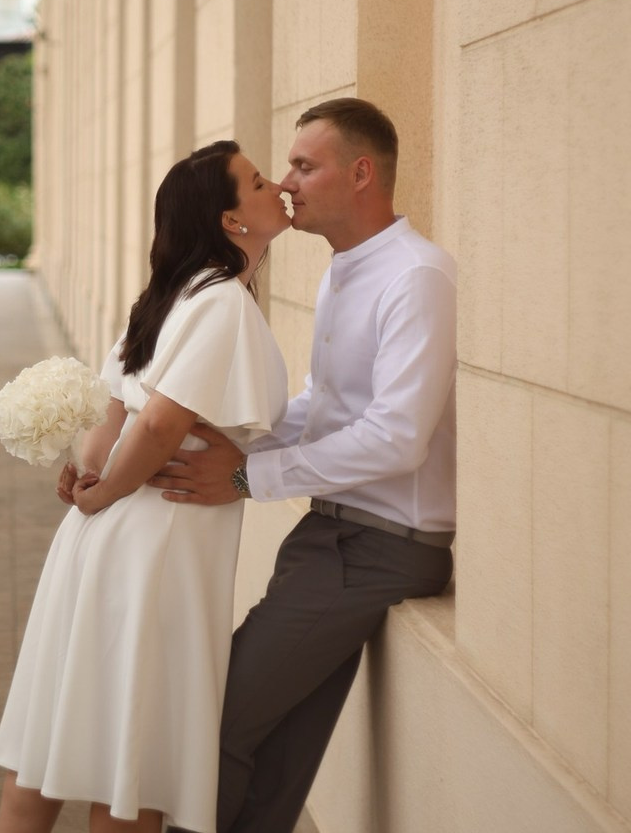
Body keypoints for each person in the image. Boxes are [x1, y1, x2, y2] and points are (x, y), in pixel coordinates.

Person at [151, 98, 457, 833]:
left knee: (215, 725)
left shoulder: (417, 276)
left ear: (360, 173)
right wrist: (230, 447)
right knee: (281, 752)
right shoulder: (343, 271)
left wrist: (250, 478)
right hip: (334, 539)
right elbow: (322, 402)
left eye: (303, 165)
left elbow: (395, 438)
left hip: (382, 546)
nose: (287, 182)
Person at [0, 140, 292, 833]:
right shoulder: (219, 303)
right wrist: (102, 491)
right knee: (129, 774)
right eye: (255, 181)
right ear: (230, 221)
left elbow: (106, 429)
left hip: (100, 544)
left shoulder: (166, 297)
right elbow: (157, 426)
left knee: (49, 752)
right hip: (156, 549)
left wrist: (92, 481)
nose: (274, 184)